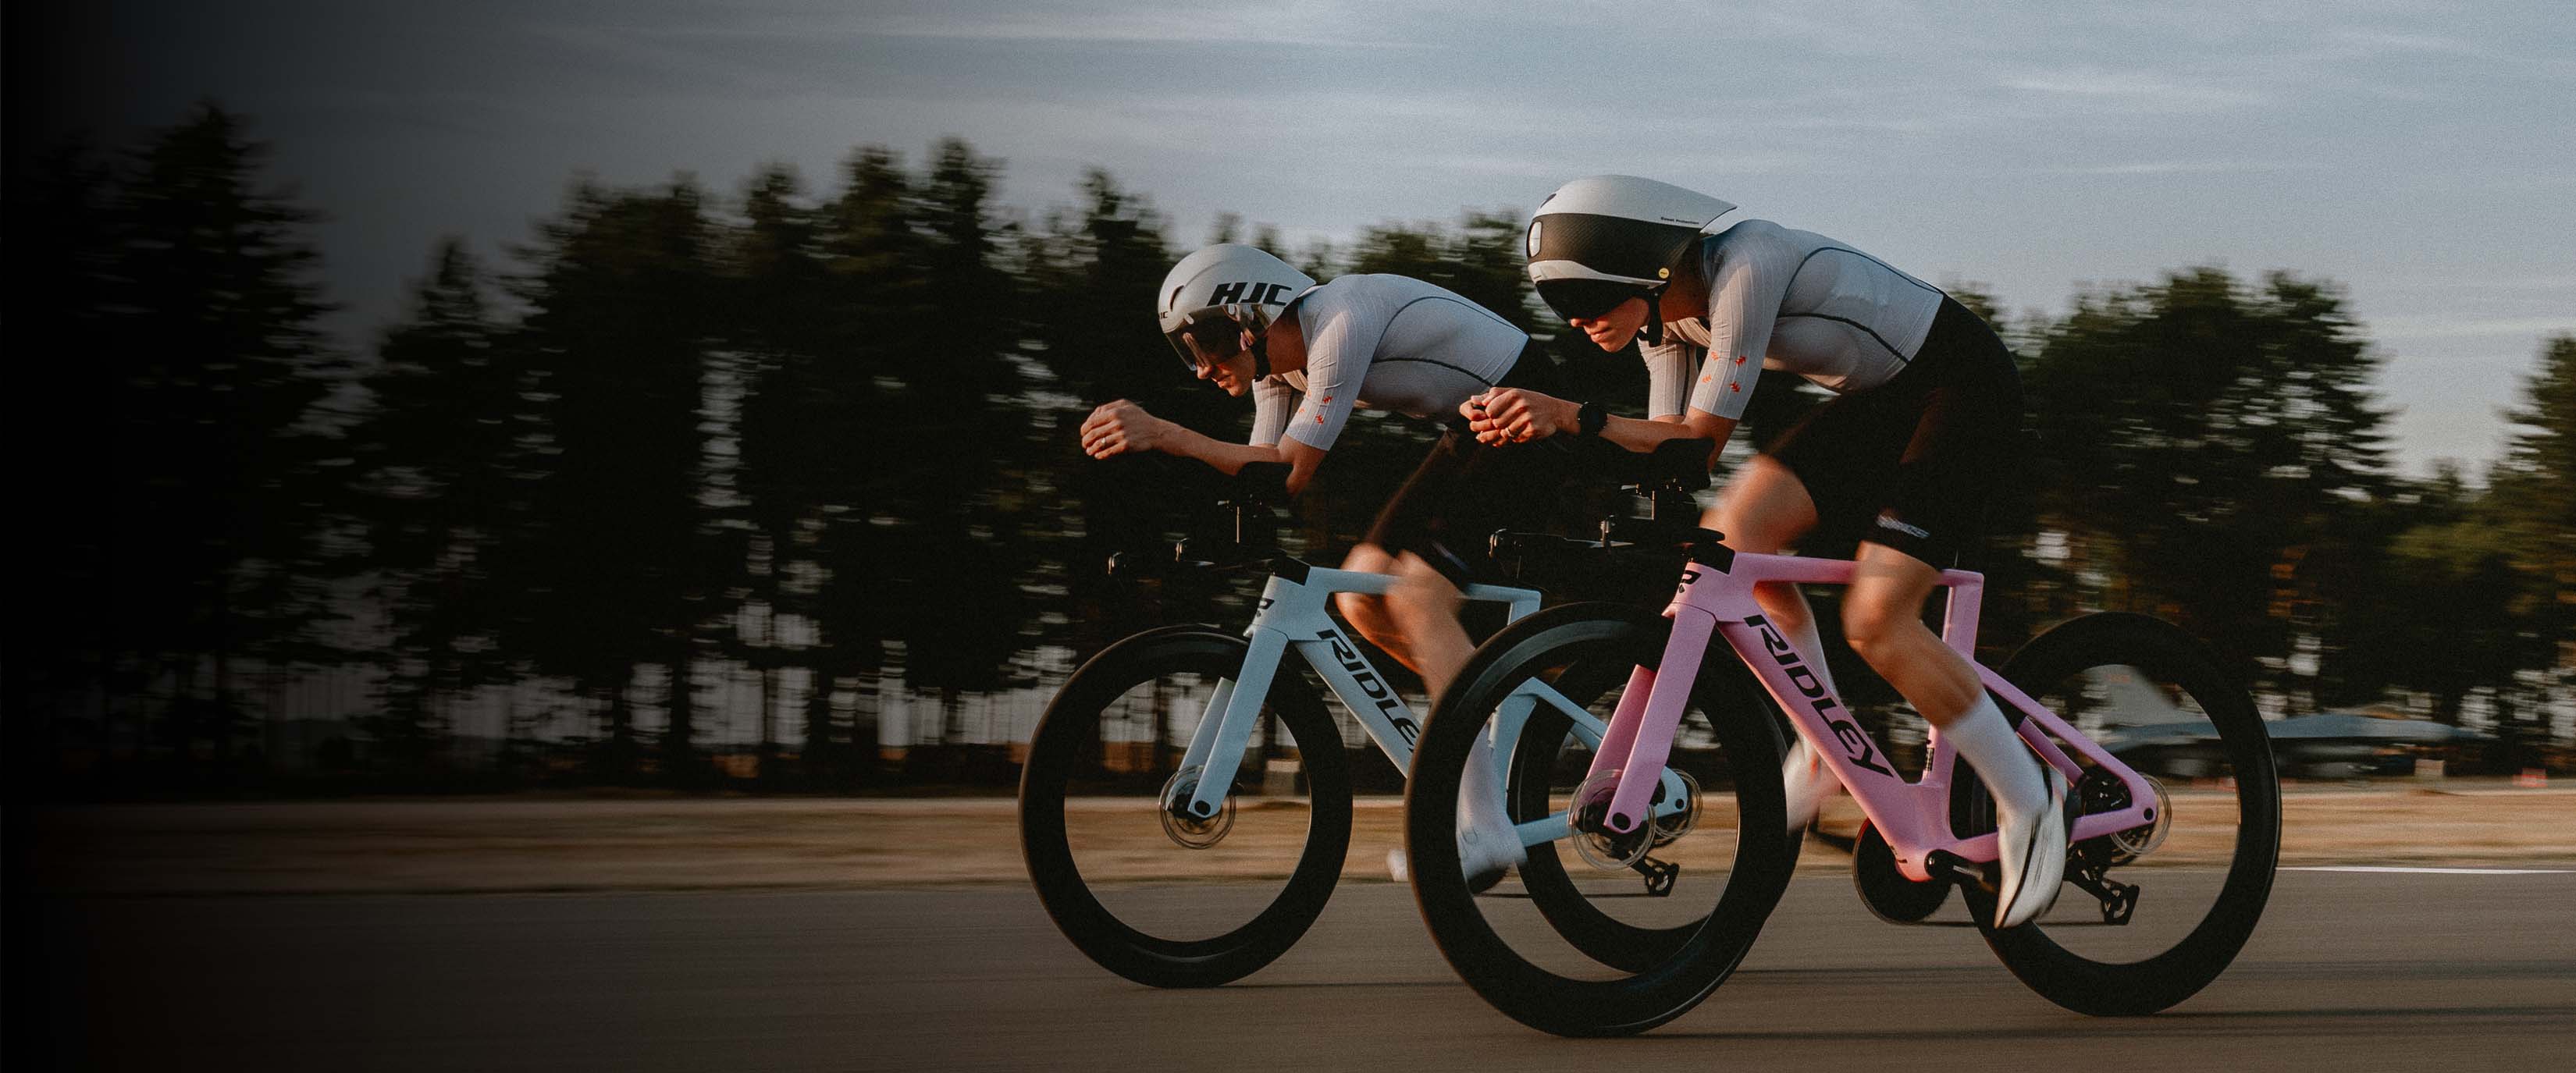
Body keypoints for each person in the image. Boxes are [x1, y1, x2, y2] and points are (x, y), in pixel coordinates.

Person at [1466, 175, 2062, 928]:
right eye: (1561, 305)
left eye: (1584, 298)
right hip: (1881, 403)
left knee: (1876, 621)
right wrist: (1545, 430)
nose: (1576, 321)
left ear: (1643, 265)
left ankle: (2031, 805)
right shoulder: (1665, 326)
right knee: (1731, 541)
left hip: (1961, 386)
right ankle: (1821, 744)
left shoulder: (1746, 267)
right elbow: (1676, 458)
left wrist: (1574, 417)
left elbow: (1697, 439)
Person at [1079, 243, 1569, 883]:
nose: (1200, 370)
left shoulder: (1338, 323)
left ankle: (1486, 822)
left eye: (1206, 345)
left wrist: (1165, 433)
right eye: (1187, 354)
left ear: (1250, 318)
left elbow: (1290, 466)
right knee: (1360, 591)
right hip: (1474, 426)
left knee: (1417, 595)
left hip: (1533, 411)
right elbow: (1267, 484)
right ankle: (1478, 710)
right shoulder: (1277, 375)